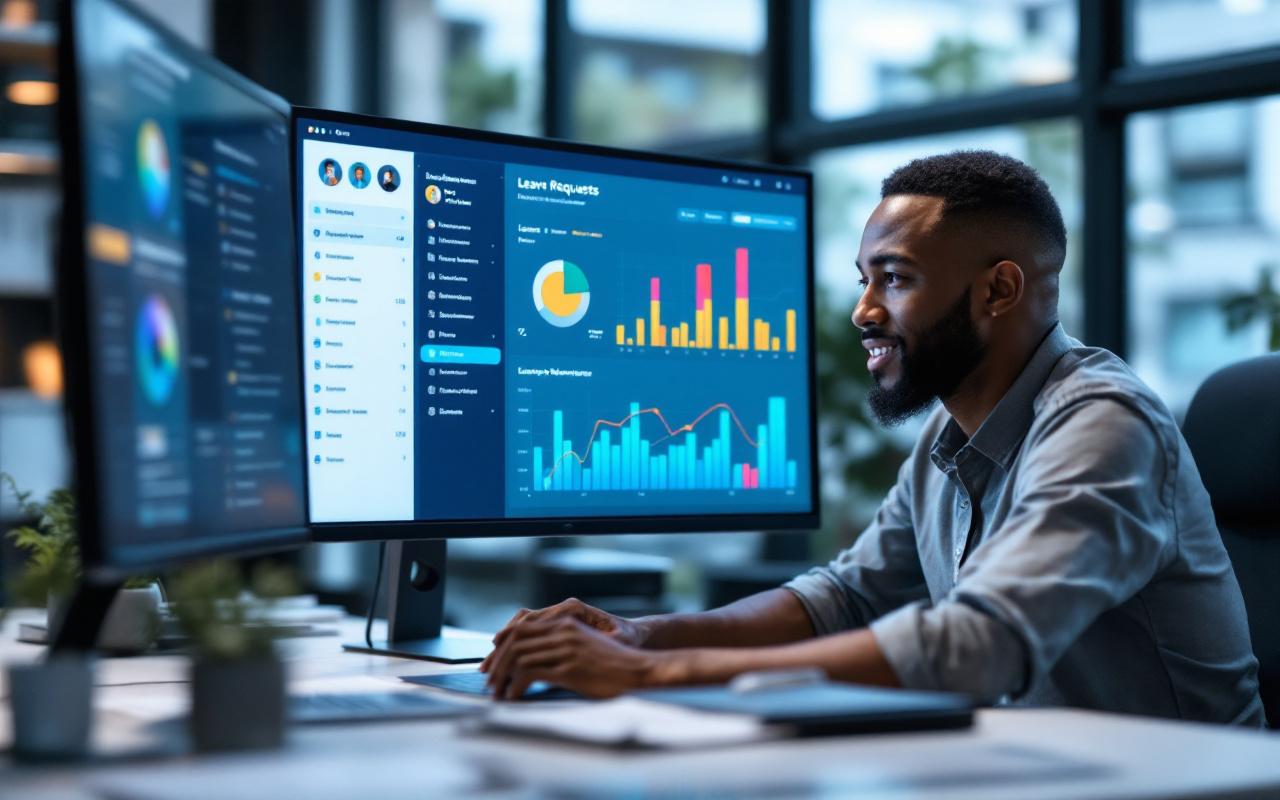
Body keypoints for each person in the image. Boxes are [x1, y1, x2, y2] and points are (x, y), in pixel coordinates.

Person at [481, 150, 1265, 727]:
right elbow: (844, 597)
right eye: (864, 277)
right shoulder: (947, 441)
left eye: (894, 278)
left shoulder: (1102, 422)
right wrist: (641, 633)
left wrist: (651, 674)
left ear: (998, 289)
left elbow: (977, 646)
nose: (862, 310)